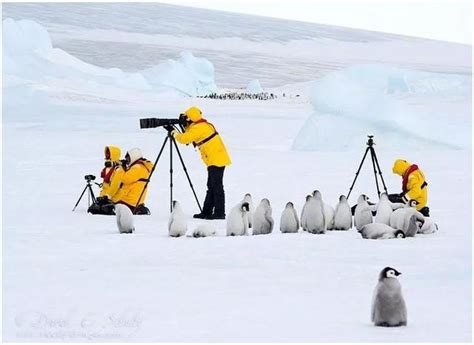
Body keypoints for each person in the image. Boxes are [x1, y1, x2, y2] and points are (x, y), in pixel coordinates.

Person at [171, 106, 231, 219]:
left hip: (216, 159)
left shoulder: (198, 128)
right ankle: (207, 211)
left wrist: (174, 133)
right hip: (215, 159)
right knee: (211, 186)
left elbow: (185, 139)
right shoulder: (202, 125)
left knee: (216, 186)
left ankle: (219, 212)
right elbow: (189, 134)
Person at [113, 148, 154, 215]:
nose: (127, 161)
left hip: (129, 201)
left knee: (108, 209)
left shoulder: (137, 167)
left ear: (134, 157)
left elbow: (125, 179)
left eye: (128, 159)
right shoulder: (140, 167)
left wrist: (121, 168)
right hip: (134, 200)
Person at [88, 145, 123, 215]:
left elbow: (115, 185)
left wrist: (107, 196)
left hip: (112, 198)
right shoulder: (107, 168)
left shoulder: (118, 169)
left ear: (113, 154)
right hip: (104, 196)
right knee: (93, 209)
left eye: (108, 153)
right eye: (106, 153)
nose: (107, 154)